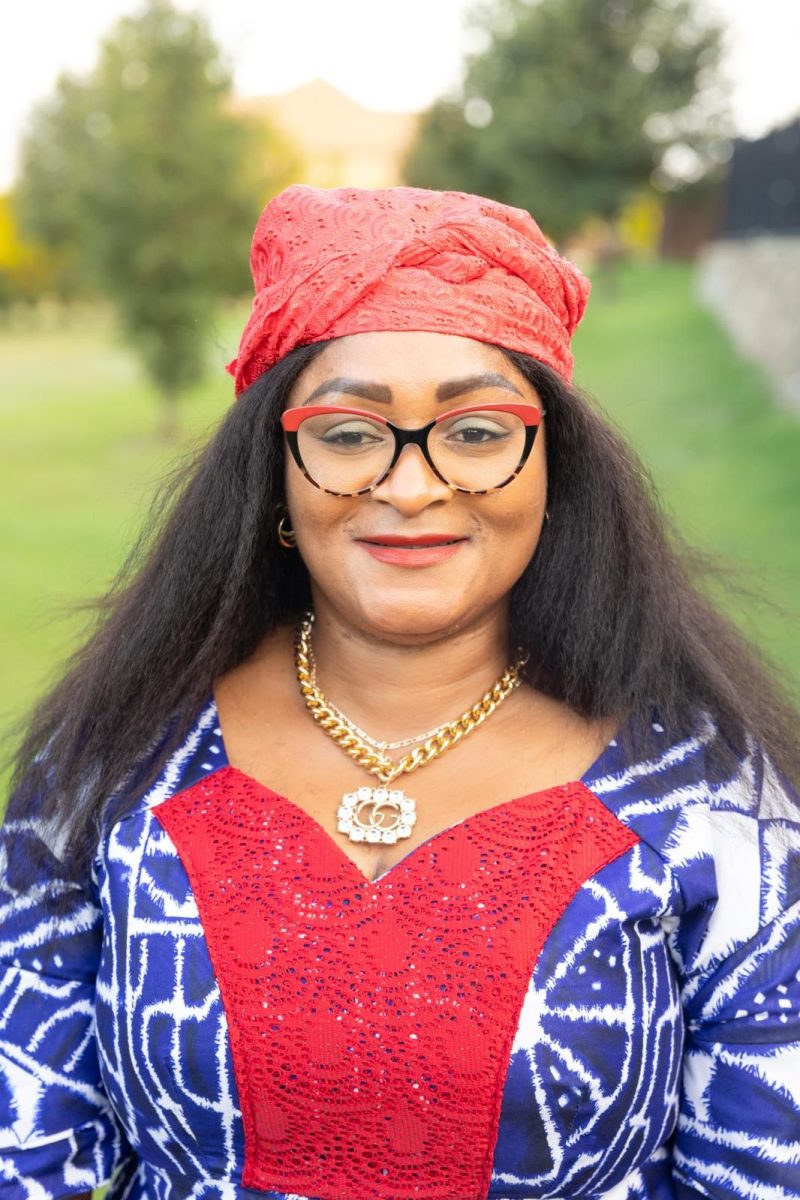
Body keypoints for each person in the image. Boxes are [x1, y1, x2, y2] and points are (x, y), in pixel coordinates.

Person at [1, 184, 798, 1200]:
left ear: (552, 470)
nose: (412, 487)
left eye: (477, 430)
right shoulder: (115, 763)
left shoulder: (708, 799)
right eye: (347, 433)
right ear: (275, 472)